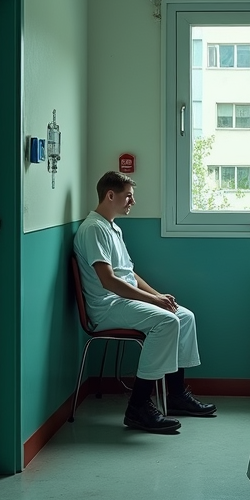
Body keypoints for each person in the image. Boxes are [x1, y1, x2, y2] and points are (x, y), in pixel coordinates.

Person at [74, 171, 216, 434]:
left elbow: (128, 273)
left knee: (183, 315)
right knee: (166, 321)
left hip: (122, 301)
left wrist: (159, 296)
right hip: (107, 307)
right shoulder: (93, 229)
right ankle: (138, 406)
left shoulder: (112, 227)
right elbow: (109, 281)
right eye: (128, 196)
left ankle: (175, 396)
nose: (132, 202)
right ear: (110, 195)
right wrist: (153, 301)